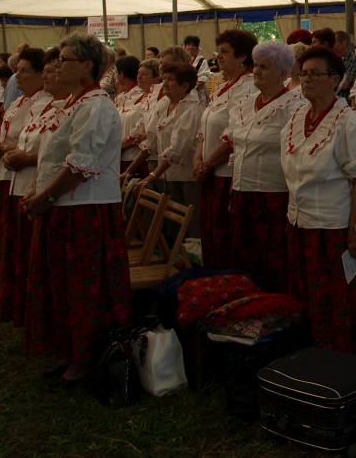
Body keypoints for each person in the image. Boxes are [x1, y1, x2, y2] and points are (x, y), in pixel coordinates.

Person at [22, 34, 131, 385]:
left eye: (65, 60)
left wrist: (45, 196)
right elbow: (55, 157)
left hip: (85, 209)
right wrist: (41, 192)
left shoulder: (96, 106)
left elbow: (80, 165)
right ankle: (70, 349)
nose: (57, 66)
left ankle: (86, 356)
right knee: (64, 284)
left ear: (86, 66)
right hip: (65, 206)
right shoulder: (73, 103)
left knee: (83, 286)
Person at [281, 47, 356, 353]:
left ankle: (341, 356)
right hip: (301, 221)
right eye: (303, 74)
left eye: (315, 74)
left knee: (337, 298)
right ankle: (311, 350)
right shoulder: (297, 116)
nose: (306, 80)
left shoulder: (348, 123)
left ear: (335, 80)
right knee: (307, 292)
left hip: (335, 227)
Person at [215, 41, 303, 290]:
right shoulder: (245, 103)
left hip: (272, 193)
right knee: (243, 253)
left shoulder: (294, 106)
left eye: (264, 67)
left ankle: (272, 301)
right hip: (241, 190)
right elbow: (232, 139)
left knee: (270, 256)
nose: (256, 71)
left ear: (283, 74)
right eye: (256, 66)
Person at [0, 48, 50, 321]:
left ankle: (24, 302)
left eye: (24, 71)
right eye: (17, 71)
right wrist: (0, 146)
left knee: (24, 244)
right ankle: (9, 295)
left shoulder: (44, 103)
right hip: (7, 177)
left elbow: (37, 147)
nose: (18, 76)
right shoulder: (19, 101)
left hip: (26, 178)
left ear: (41, 74)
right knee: (8, 241)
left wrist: (3, 149)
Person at [1, 49, 66, 327]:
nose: (49, 77)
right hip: (29, 185)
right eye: (47, 71)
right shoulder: (38, 106)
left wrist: (26, 159)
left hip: (52, 192)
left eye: (54, 71)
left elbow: (67, 158)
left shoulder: (72, 108)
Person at [194, 29, 257, 266]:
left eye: (225, 52)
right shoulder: (223, 87)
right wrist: (198, 158)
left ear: (242, 57)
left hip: (226, 174)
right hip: (210, 171)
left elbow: (234, 134)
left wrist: (208, 163)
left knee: (226, 237)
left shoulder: (249, 88)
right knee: (210, 233)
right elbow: (205, 127)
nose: (218, 56)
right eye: (218, 51)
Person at [128, 64, 205, 236]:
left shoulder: (192, 109)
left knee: (190, 226)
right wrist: (130, 170)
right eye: (164, 79)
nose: (165, 83)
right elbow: (151, 140)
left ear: (185, 86)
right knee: (171, 227)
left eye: (170, 80)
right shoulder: (165, 104)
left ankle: (192, 251)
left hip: (186, 177)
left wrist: (152, 175)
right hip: (166, 174)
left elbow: (177, 149)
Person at [119, 58, 159, 174]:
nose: (139, 77)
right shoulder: (131, 97)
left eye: (145, 74)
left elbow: (141, 131)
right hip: (125, 155)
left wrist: (119, 146)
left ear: (156, 78)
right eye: (138, 73)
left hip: (143, 156)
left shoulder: (155, 99)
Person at [334, 31, 356, 99]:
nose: (332, 46)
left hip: (345, 99)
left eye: (334, 42)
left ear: (343, 43)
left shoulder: (354, 60)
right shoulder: (334, 59)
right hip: (334, 97)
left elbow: (345, 85)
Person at [183, 35, 212, 102]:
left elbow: (203, 77)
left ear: (197, 47)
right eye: (188, 45)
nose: (191, 47)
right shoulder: (181, 60)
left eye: (193, 45)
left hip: (197, 93)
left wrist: (191, 90)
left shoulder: (202, 61)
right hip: (182, 92)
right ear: (185, 46)